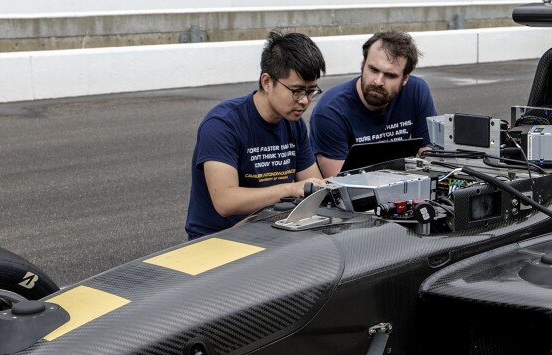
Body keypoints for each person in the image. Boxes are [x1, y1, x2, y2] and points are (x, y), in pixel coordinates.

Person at [185, 31, 328, 240]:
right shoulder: (222, 124)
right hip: (217, 241)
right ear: (267, 82)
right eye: (297, 91)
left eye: (311, 91)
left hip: (272, 231)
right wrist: (290, 189)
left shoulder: (293, 123)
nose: (305, 101)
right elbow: (225, 201)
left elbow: (312, 187)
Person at [310, 31, 437, 178]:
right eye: (373, 69)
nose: (378, 81)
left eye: (390, 75)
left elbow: (430, 156)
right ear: (363, 64)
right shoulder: (330, 111)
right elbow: (340, 186)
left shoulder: (416, 91)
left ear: (405, 79)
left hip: (402, 190)